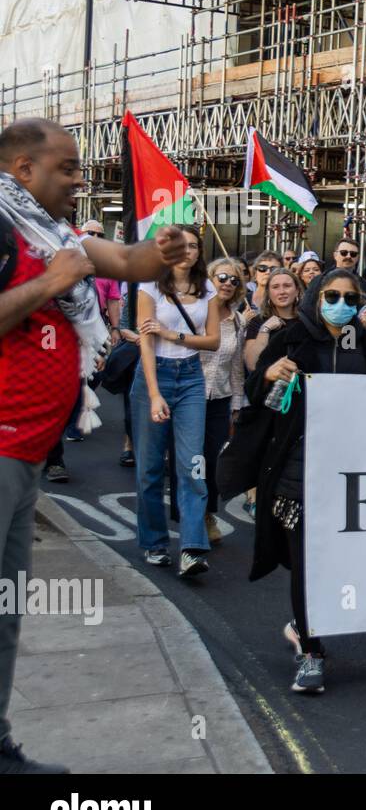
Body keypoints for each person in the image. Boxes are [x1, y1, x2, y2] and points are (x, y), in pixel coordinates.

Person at [0, 118, 187, 773]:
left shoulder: (56, 236)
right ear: (23, 169)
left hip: (26, 454)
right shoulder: (5, 230)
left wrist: (167, 245)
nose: (81, 179)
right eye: (68, 167)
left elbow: (131, 262)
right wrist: (51, 284)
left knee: (7, 611)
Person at [249, 270, 366, 693]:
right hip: (298, 469)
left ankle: (304, 621)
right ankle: (311, 651)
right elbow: (257, 392)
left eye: (351, 297)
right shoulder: (291, 338)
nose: (341, 303)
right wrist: (270, 372)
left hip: (351, 473)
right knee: (305, 564)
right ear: (316, 296)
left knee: (344, 559)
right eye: (332, 295)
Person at [132, 224, 222, 577]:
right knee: (150, 468)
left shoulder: (208, 289)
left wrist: (173, 334)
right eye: (182, 245)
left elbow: (213, 341)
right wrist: (154, 394)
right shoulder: (150, 286)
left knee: (192, 464)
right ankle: (155, 543)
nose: (189, 251)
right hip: (153, 377)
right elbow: (146, 343)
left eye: (195, 246)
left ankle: (192, 547)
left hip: (190, 378)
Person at [194, 258, 247, 544]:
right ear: (210, 279)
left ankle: (207, 513)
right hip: (189, 396)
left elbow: (237, 366)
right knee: (192, 460)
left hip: (220, 399)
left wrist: (237, 405)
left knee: (212, 460)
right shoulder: (194, 313)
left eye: (234, 280)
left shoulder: (238, 320)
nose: (227, 283)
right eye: (222, 277)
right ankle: (191, 516)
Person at [243, 267, 302, 374]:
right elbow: (251, 364)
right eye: (275, 287)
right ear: (268, 293)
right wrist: (265, 329)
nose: (282, 291)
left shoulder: (307, 321)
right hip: (268, 387)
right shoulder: (258, 321)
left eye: (287, 286)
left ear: (297, 291)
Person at [243, 251, 282, 316]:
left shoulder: (284, 299)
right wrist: (242, 320)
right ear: (255, 274)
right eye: (262, 268)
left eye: (274, 269)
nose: (268, 272)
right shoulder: (243, 299)